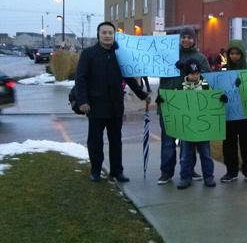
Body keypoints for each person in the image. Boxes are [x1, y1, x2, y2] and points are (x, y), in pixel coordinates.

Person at [75, 21, 150, 182]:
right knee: (95, 141)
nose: (107, 35)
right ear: (98, 34)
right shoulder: (88, 54)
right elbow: (80, 78)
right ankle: (96, 170)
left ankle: (117, 171)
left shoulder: (120, 54)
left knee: (116, 141)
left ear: (114, 35)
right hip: (95, 106)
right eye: (104, 33)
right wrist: (83, 101)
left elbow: (129, 77)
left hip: (116, 106)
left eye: (110, 33)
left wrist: (142, 94)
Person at [156, 27, 210, 185]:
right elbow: (155, 69)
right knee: (168, 140)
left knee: (189, 140)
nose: (186, 40)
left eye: (189, 37)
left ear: (194, 39)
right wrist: (160, 96)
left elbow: (207, 78)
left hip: (190, 105)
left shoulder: (200, 58)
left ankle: (188, 169)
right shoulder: (168, 55)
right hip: (168, 102)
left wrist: (189, 69)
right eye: (183, 37)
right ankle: (166, 171)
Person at [219, 40, 247, 183]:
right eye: (232, 53)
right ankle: (231, 171)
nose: (234, 56)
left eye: (237, 53)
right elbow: (215, 88)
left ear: (242, 54)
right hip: (228, 114)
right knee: (229, 143)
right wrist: (220, 96)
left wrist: (245, 85)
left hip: (245, 113)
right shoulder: (223, 70)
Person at [177, 58, 218, 189]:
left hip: (202, 127)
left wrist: (220, 99)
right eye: (191, 73)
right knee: (185, 156)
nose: (194, 76)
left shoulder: (206, 86)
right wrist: (163, 101)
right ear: (186, 74)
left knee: (206, 155)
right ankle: (185, 177)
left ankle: (208, 177)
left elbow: (213, 100)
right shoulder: (180, 88)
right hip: (187, 128)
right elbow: (174, 103)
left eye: (197, 73)